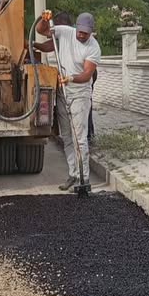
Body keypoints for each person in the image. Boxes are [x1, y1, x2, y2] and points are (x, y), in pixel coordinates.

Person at [36, 10, 101, 192]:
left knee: (79, 137)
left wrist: (71, 78)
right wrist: (44, 19)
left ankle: (84, 179)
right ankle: (73, 174)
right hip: (63, 93)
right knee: (66, 137)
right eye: (80, 31)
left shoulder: (93, 48)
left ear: (91, 31)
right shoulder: (65, 32)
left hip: (80, 93)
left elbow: (87, 74)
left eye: (86, 33)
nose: (81, 35)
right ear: (76, 27)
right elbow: (42, 30)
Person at [32, 12, 96, 143]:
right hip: (81, 75)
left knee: (83, 105)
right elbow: (46, 43)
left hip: (84, 75)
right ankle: (86, 133)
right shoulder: (68, 34)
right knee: (84, 105)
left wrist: (33, 44)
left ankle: (86, 135)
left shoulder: (69, 35)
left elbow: (47, 46)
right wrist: (33, 43)